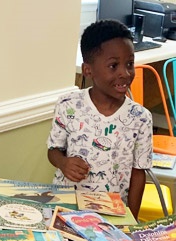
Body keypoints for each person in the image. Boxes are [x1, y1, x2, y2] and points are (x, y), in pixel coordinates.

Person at [46, 19, 152, 219]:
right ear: (88, 70)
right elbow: (53, 151)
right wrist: (64, 163)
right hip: (66, 210)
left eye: (130, 64)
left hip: (112, 215)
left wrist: (132, 219)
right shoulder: (68, 105)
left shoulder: (141, 118)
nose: (125, 73)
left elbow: (139, 173)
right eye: (113, 66)